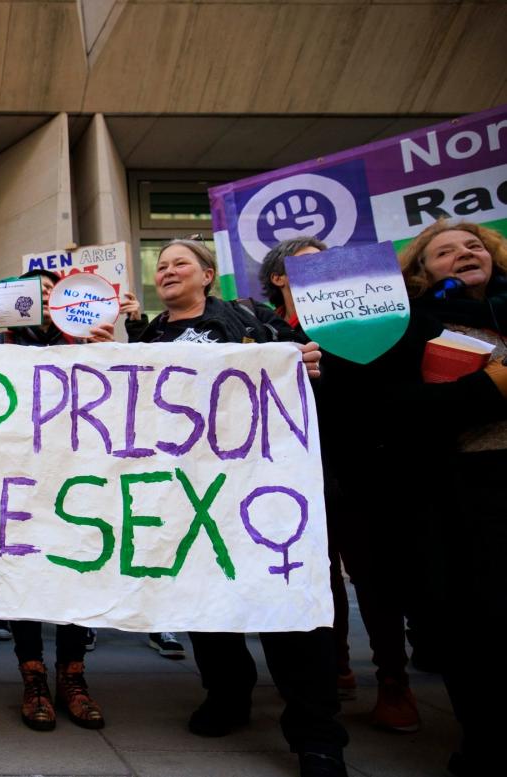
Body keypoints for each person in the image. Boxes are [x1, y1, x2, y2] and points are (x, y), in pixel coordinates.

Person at [129, 238, 344, 777]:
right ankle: (227, 693)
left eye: (180, 262)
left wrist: (306, 360)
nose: (168, 270)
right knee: (205, 597)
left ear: (207, 275)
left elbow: (306, 379)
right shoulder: (149, 336)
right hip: (188, 489)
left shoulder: (257, 321)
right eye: (160, 266)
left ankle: (316, 732)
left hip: (260, 486)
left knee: (284, 599)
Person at [333, 220, 507, 776]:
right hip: (458, 494)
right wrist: (487, 388)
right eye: (445, 251)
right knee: (474, 625)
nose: (464, 253)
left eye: (475, 245)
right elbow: (388, 410)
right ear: (420, 271)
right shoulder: (406, 329)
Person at [0, 267, 120, 731]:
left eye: (55, 292)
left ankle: (73, 677)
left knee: (74, 573)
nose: (47, 298)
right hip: (17, 480)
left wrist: (108, 352)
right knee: (24, 579)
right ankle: (32, 677)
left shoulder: (89, 340)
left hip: (76, 480)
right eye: (38, 292)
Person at [258, 238, 360, 704]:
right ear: (279, 277)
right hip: (286, 469)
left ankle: (383, 675)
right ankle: (331, 666)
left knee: (349, 569)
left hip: (346, 461)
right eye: (307, 261)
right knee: (311, 567)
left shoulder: (359, 320)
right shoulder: (261, 326)